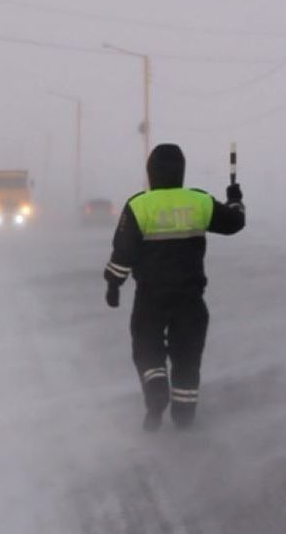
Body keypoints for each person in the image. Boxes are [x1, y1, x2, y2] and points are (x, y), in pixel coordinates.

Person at [103, 144, 245, 431]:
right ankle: (184, 415)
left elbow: (123, 253)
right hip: (190, 298)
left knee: (146, 345)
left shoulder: (139, 206)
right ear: (181, 171)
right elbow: (234, 223)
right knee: (187, 356)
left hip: (150, 297)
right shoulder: (199, 202)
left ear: (150, 172)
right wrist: (235, 200)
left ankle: (156, 388)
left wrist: (114, 284)